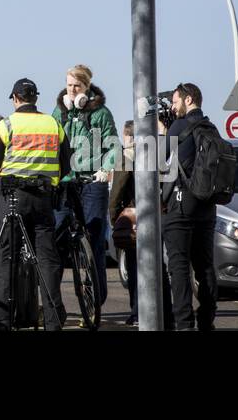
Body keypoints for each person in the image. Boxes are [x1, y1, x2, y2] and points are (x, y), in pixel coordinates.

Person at [0, 78, 69, 331]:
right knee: (47, 259)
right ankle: (53, 321)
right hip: (43, 199)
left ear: (15, 99)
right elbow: (66, 163)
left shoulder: (5, 125)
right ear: (35, 98)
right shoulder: (53, 124)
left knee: (6, 256)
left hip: (13, 199)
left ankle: (1, 319)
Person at [52, 63, 117, 310]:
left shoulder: (101, 113)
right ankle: (53, 305)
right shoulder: (59, 112)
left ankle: (94, 303)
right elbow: (50, 142)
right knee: (56, 239)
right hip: (66, 183)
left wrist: (106, 168)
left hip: (93, 183)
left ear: (86, 87)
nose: (71, 90)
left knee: (94, 238)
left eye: (76, 86)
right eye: (68, 85)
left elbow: (113, 146)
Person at [162, 82, 218, 330]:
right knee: (205, 265)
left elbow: (159, 158)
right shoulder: (211, 127)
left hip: (181, 205)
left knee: (179, 265)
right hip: (207, 207)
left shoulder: (178, 126)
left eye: (175, 102)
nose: (173, 107)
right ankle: (206, 321)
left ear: (188, 99)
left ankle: (184, 323)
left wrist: (165, 131)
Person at [109, 120, 138, 325]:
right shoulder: (156, 151)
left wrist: (114, 217)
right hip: (157, 216)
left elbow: (117, 189)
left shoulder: (126, 154)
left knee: (135, 267)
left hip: (133, 217)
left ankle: (137, 312)